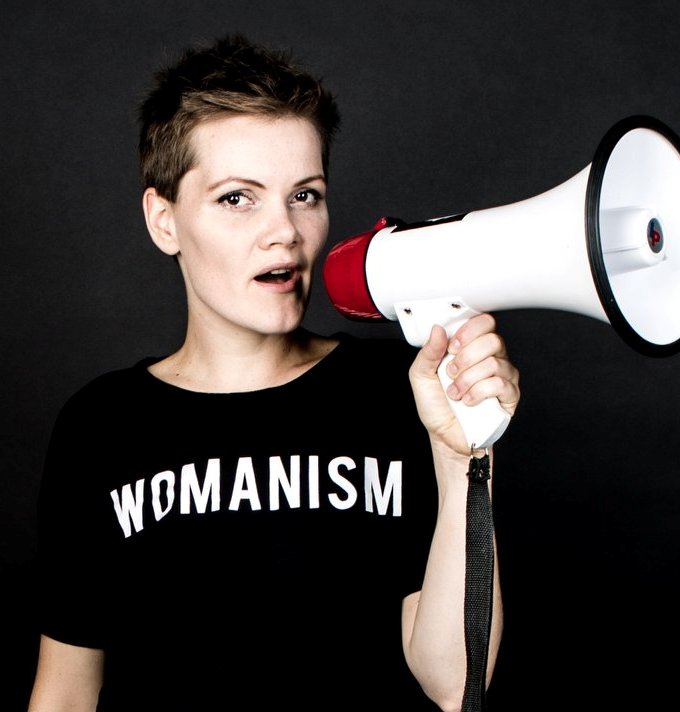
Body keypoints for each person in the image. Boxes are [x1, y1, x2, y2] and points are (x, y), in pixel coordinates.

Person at [28, 34, 520, 712]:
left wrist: (465, 456)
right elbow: (64, 692)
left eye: (305, 195)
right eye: (237, 198)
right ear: (163, 221)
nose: (284, 231)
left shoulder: (402, 391)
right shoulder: (101, 426)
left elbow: (453, 684)